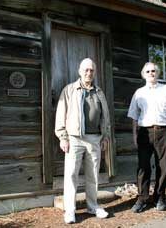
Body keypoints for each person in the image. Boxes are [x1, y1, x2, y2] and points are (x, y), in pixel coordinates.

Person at [55, 58, 111, 224]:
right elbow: (60, 114)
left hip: (94, 139)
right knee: (71, 174)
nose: (88, 73)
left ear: (94, 72)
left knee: (93, 174)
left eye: (91, 70)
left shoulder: (99, 92)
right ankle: (70, 211)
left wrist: (105, 136)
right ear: (79, 71)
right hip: (74, 139)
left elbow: (105, 116)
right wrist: (62, 137)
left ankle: (92, 206)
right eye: (85, 70)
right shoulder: (70, 90)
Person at [127, 62, 166, 213]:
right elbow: (134, 116)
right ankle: (142, 199)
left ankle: (159, 199)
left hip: (163, 131)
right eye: (148, 71)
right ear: (144, 74)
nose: (151, 73)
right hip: (144, 133)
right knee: (143, 167)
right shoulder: (139, 92)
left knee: (162, 167)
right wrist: (134, 135)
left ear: (157, 73)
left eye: (154, 71)